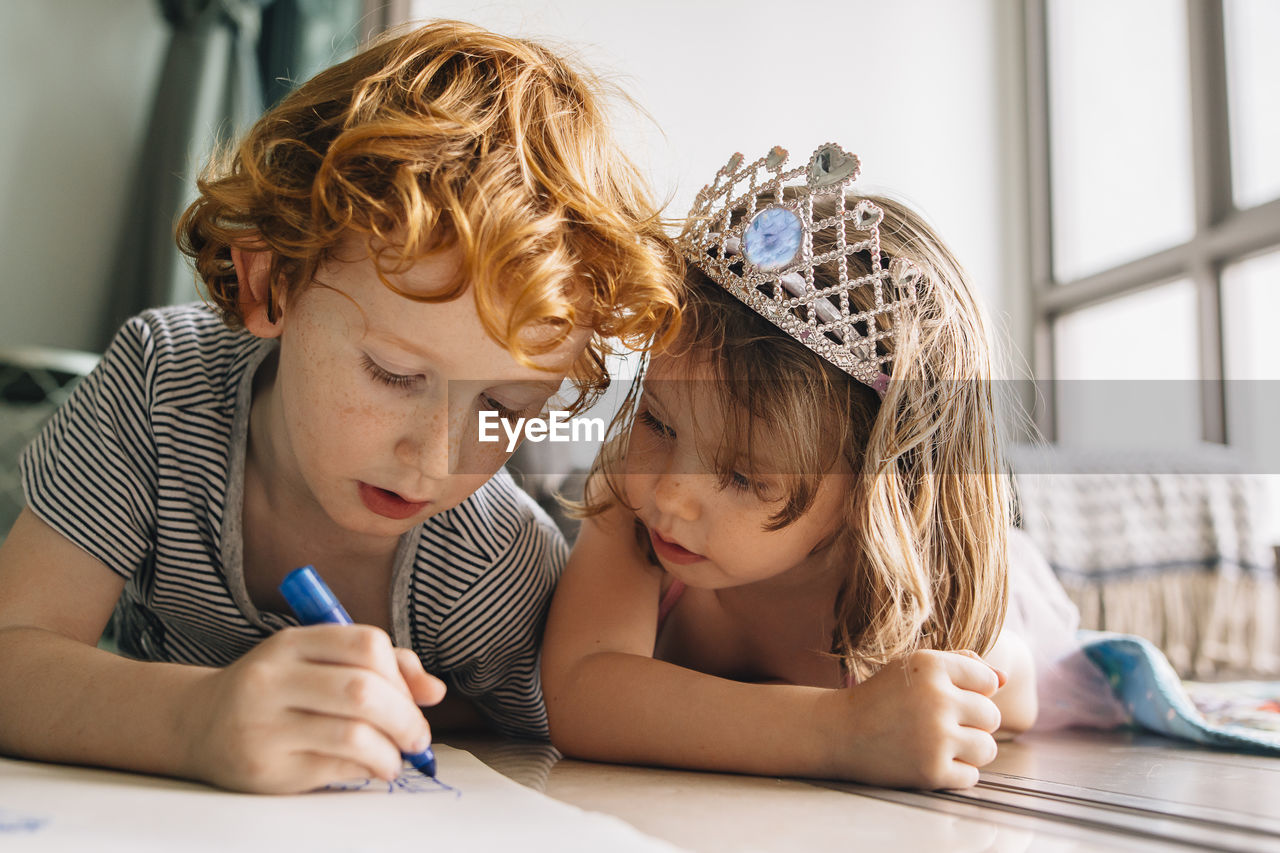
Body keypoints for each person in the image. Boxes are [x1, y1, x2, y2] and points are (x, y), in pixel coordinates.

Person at [0, 20, 681, 794]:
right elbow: (12, 650)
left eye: (501, 405)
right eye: (393, 373)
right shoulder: (158, 389)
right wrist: (197, 719)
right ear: (271, 283)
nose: (434, 457)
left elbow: (550, 747)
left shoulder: (490, 564)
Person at [541, 143, 1038, 790]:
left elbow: (1014, 698)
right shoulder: (626, 503)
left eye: (743, 476)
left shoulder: (913, 577)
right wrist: (840, 730)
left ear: (870, 493)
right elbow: (583, 692)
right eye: (658, 422)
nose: (668, 494)